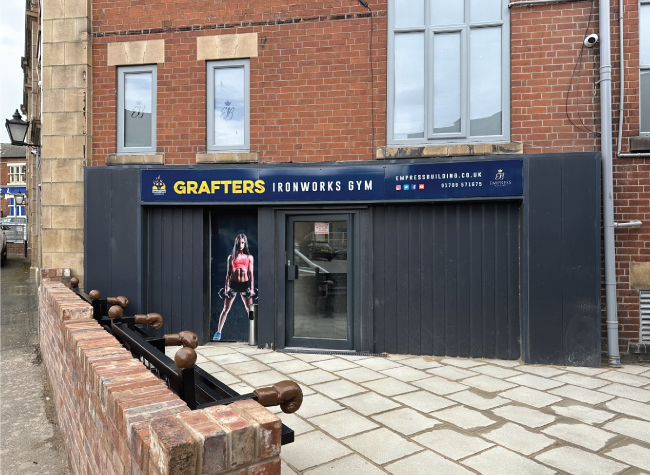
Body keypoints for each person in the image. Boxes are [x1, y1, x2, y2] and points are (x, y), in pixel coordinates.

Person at [213, 233, 254, 341]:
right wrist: (226, 288)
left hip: (244, 284)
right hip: (233, 284)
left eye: (242, 242)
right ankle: (218, 331)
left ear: (245, 243)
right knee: (226, 309)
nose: (241, 244)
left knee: (249, 309)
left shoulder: (249, 257)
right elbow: (228, 274)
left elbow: (251, 274)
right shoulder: (231, 257)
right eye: (239, 242)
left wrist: (253, 289)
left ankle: (256, 330)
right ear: (236, 243)